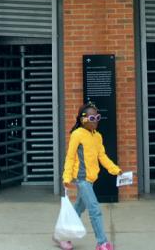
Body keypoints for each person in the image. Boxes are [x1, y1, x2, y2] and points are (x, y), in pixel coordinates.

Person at [57, 103, 123, 250]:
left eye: (97, 117)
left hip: (91, 179)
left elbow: (102, 156)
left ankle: (62, 236)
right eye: (92, 117)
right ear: (83, 119)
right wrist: (66, 177)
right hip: (82, 179)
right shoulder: (77, 134)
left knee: (78, 209)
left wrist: (115, 169)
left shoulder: (98, 136)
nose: (95, 120)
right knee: (94, 209)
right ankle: (102, 243)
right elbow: (70, 157)